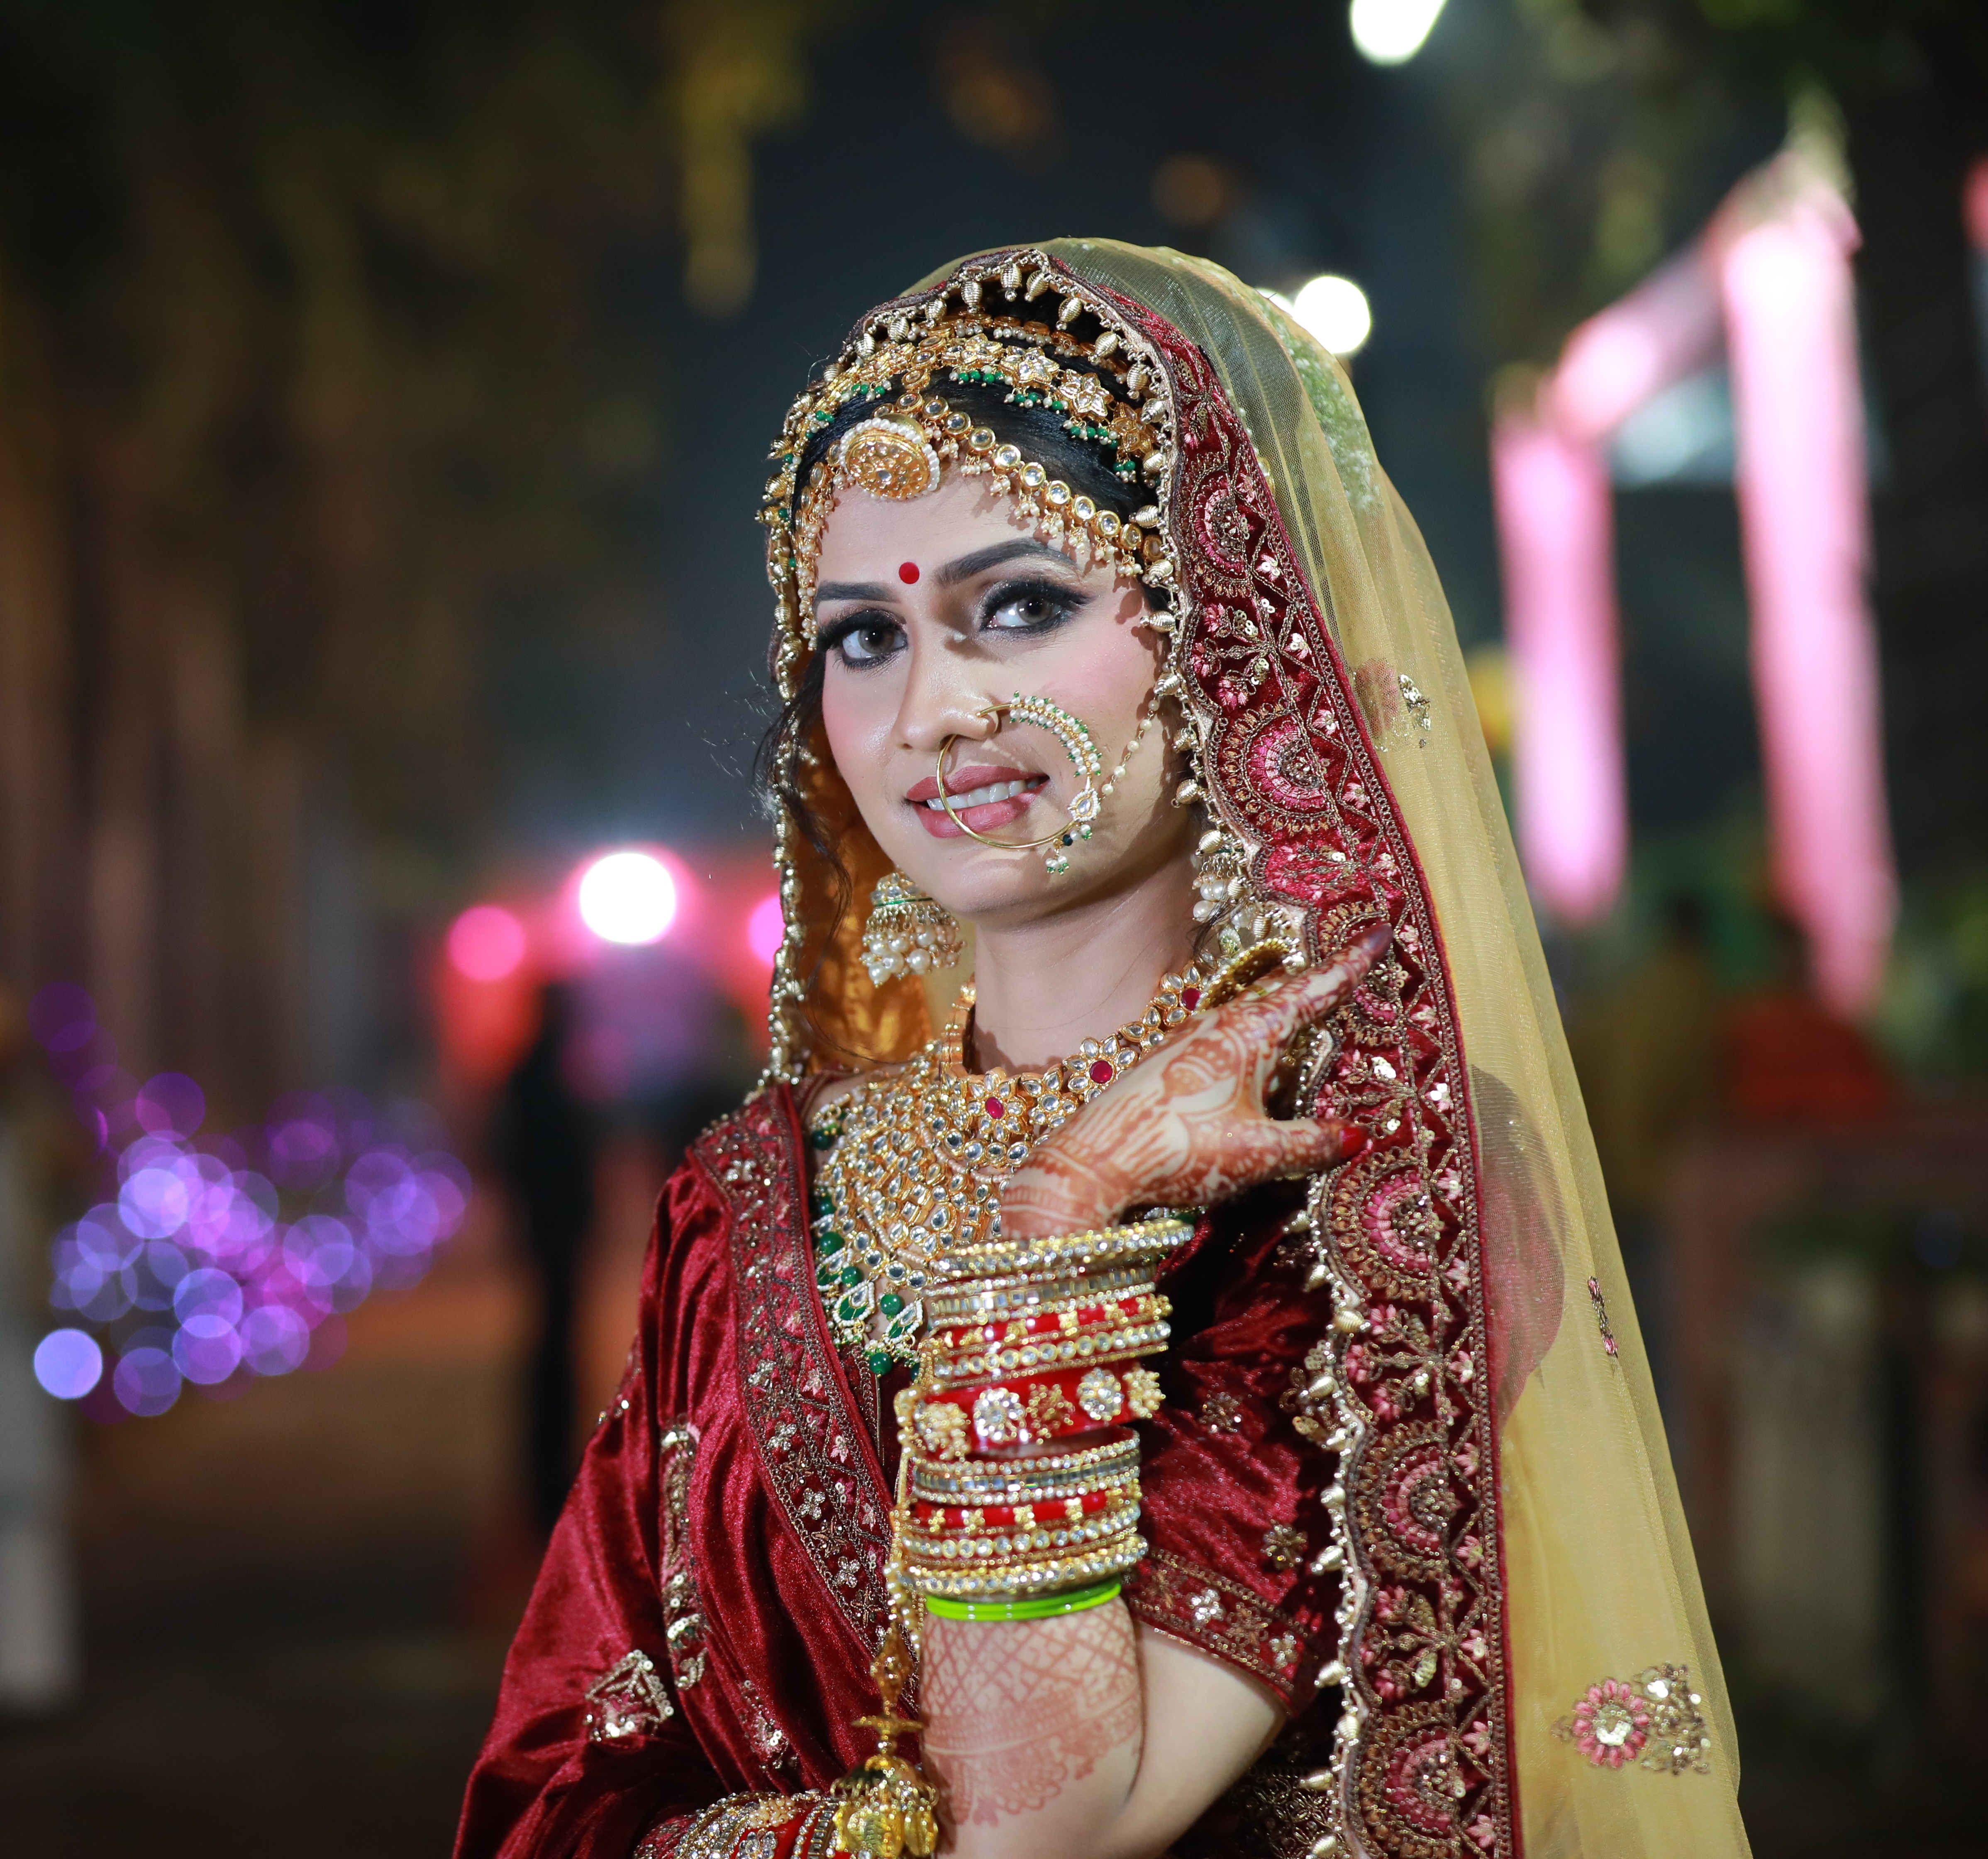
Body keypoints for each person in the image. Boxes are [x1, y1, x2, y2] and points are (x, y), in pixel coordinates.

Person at [456, 244, 1749, 1859]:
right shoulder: (745, 1197)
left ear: (1228, 636)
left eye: (1020, 606)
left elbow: (1047, 1823)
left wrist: (1056, 1221)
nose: (932, 709)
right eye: (862, 637)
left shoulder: (1366, 1183)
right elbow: (560, 1773)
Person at [493, 980, 601, 1537]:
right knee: (553, 1347)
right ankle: (546, 1475)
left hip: (552, 1231)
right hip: (552, 1231)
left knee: (557, 1343)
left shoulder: (540, 1073)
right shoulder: (541, 1077)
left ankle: (550, 1468)